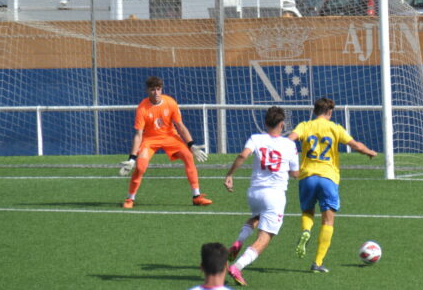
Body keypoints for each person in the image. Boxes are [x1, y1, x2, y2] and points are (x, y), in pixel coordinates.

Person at [287, 97, 377, 273]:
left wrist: (291, 163)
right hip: (328, 178)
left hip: (307, 177)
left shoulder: (305, 126)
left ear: (314, 111)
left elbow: (289, 140)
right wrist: (369, 152)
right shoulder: (335, 128)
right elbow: (355, 145)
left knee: (307, 212)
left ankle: (306, 230)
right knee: (328, 220)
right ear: (329, 112)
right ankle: (317, 263)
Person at [223, 106, 299, 287]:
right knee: (265, 238)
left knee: (257, 216)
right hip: (275, 196)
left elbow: (243, 155)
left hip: (254, 193)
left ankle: (239, 240)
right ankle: (238, 266)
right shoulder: (289, 145)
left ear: (265, 123)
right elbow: (295, 174)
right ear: (282, 125)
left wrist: (230, 175)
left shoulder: (256, 138)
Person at [119, 76, 211, 208]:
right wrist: (132, 158)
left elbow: (180, 125)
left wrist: (191, 145)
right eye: (152, 90)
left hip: (170, 137)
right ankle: (130, 199)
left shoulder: (170, 102)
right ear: (147, 91)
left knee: (188, 156)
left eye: (158, 89)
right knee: (140, 167)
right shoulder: (142, 108)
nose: (156, 93)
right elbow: (138, 135)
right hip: (150, 140)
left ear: (161, 89)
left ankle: (196, 196)